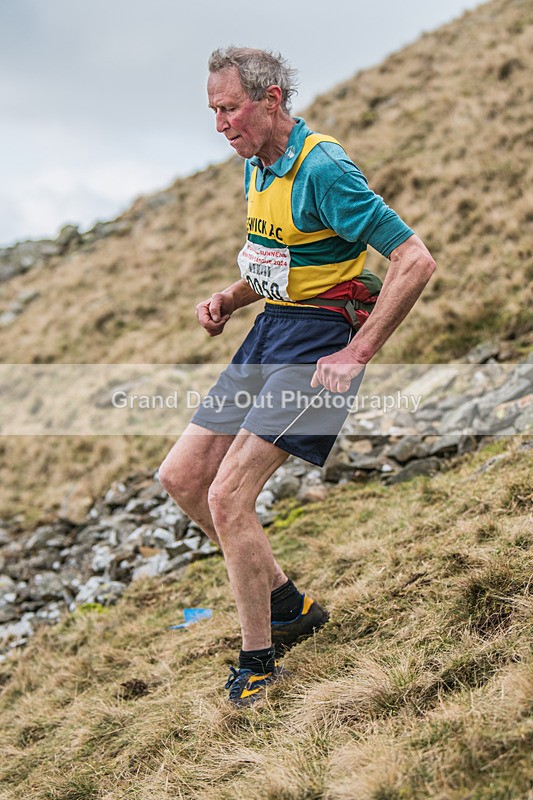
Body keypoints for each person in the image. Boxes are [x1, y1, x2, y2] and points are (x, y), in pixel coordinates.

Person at [158, 47, 435, 707]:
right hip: (271, 327)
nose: (220, 124)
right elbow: (284, 258)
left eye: (229, 109)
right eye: (213, 111)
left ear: (271, 99)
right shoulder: (257, 164)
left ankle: (258, 662)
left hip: (320, 339)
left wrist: (357, 352)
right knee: (183, 478)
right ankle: (285, 603)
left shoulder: (324, 168)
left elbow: (414, 259)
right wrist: (230, 298)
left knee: (229, 497)